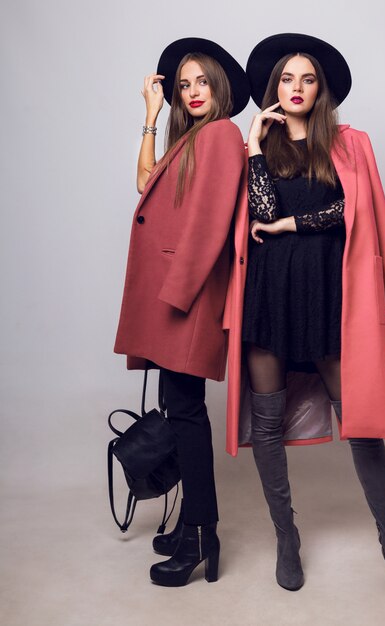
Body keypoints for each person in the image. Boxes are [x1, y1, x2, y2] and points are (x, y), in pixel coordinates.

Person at [224, 33, 385, 601]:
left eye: (307, 79)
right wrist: (253, 150)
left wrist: (292, 226)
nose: (296, 88)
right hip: (268, 293)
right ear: (273, 88)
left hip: (324, 293)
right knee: (266, 422)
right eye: (287, 79)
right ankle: (286, 538)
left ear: (321, 90)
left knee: (358, 420)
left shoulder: (348, 143)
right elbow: (258, 213)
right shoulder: (258, 148)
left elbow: (346, 211)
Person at [114, 37, 250, 587]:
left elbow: (210, 227)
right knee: (180, 408)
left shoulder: (221, 134)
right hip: (173, 296)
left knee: (187, 414)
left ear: (219, 87)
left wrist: (177, 295)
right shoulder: (190, 137)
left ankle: (200, 536)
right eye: (183, 85)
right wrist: (150, 116)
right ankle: (195, 527)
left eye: (202, 81)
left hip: (184, 298)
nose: (193, 92)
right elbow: (145, 183)